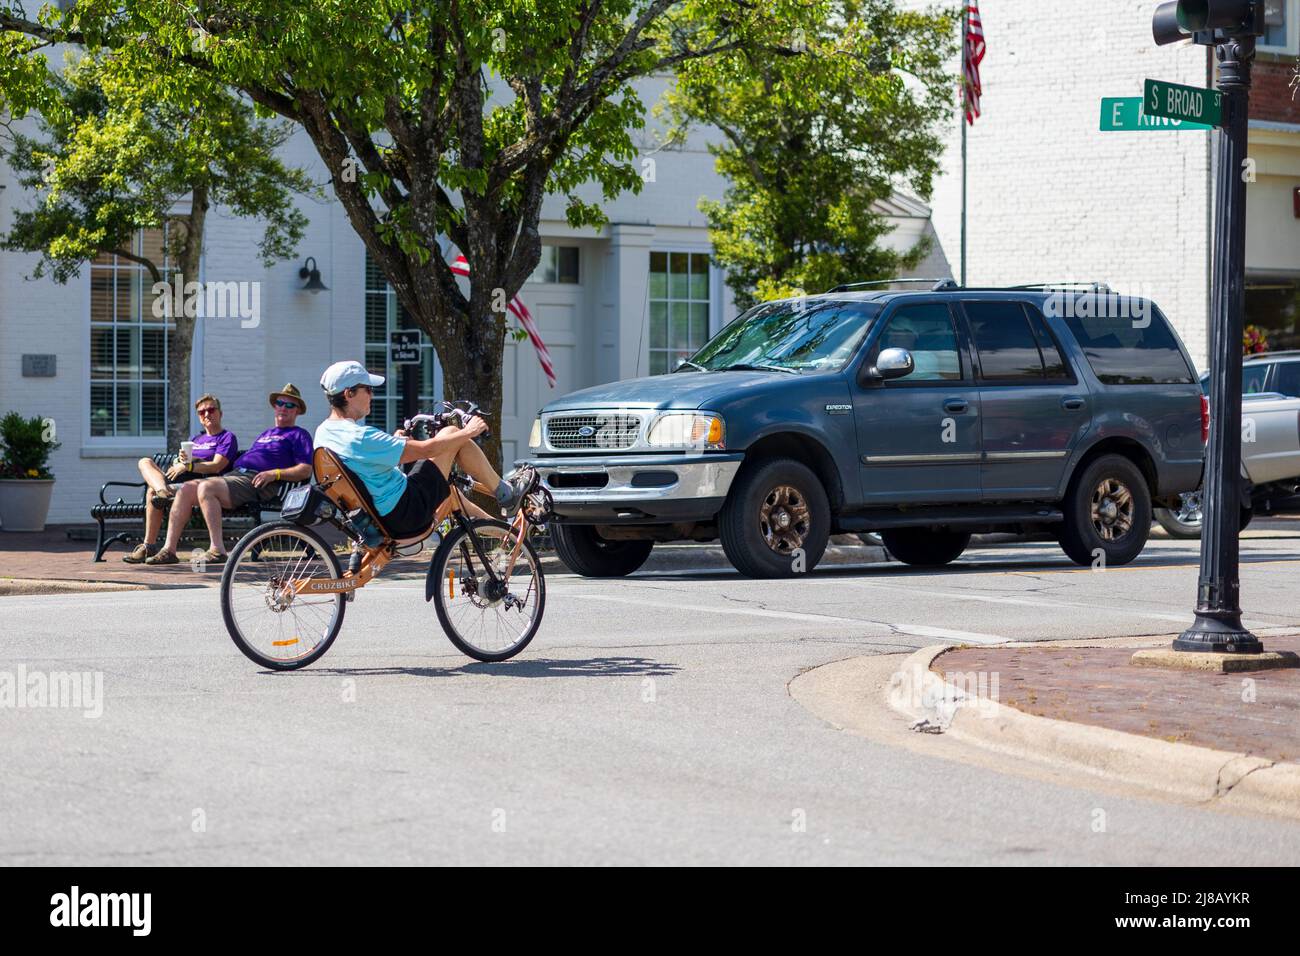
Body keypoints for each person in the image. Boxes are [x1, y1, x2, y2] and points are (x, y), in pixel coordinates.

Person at [313, 360, 528, 540]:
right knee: (452, 434)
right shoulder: (360, 436)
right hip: (406, 512)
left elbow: (363, 465)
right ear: (349, 393)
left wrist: (392, 443)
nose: (372, 395)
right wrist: (470, 431)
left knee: (450, 493)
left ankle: (505, 535)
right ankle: (506, 494)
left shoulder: (324, 433)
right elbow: (428, 449)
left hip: (380, 514)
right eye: (367, 389)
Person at [146, 384, 314, 566]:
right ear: (275, 407)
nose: (283, 408)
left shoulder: (299, 435)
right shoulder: (266, 433)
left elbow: (306, 469)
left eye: (289, 405)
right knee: (186, 489)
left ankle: (217, 550)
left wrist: (275, 473)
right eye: (280, 403)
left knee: (206, 487)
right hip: (236, 476)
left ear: (297, 411)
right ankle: (169, 550)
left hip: (259, 481)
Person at [124, 394, 239, 563]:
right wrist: (179, 461)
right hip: (179, 478)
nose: (206, 414)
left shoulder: (227, 437)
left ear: (220, 414)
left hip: (201, 483)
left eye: (211, 410)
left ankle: (149, 545)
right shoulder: (195, 439)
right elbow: (180, 464)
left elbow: (217, 465)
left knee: (151, 493)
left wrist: (188, 466)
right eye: (202, 412)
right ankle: (162, 491)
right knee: (145, 462)